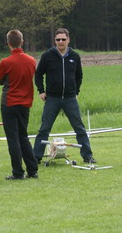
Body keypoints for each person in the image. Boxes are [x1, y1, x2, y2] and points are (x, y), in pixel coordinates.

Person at [33, 28, 95, 164]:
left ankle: (87, 156)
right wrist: (41, 91)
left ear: (68, 40)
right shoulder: (47, 55)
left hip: (70, 98)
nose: (60, 42)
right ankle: (36, 157)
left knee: (79, 128)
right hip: (52, 98)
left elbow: (79, 76)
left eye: (63, 39)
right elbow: (38, 74)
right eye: (58, 40)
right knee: (44, 128)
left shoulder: (75, 56)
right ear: (55, 41)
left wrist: (76, 92)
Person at [0, 29, 39, 180]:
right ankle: (32, 170)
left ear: (8, 43)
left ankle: (18, 172)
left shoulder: (6, 62)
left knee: (13, 138)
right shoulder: (31, 61)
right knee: (23, 136)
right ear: (22, 41)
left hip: (9, 103)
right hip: (25, 103)